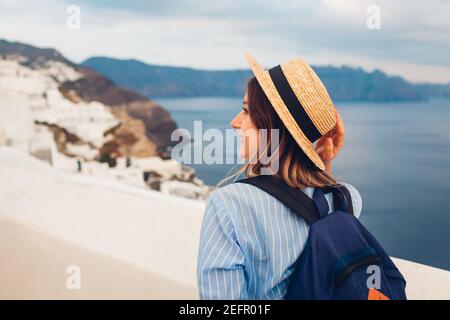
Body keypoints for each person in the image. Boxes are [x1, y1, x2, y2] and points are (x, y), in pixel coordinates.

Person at [197, 52, 362, 299]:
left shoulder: (228, 205)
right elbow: (322, 225)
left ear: (270, 125)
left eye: (245, 111)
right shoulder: (348, 198)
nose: (234, 122)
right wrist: (322, 162)